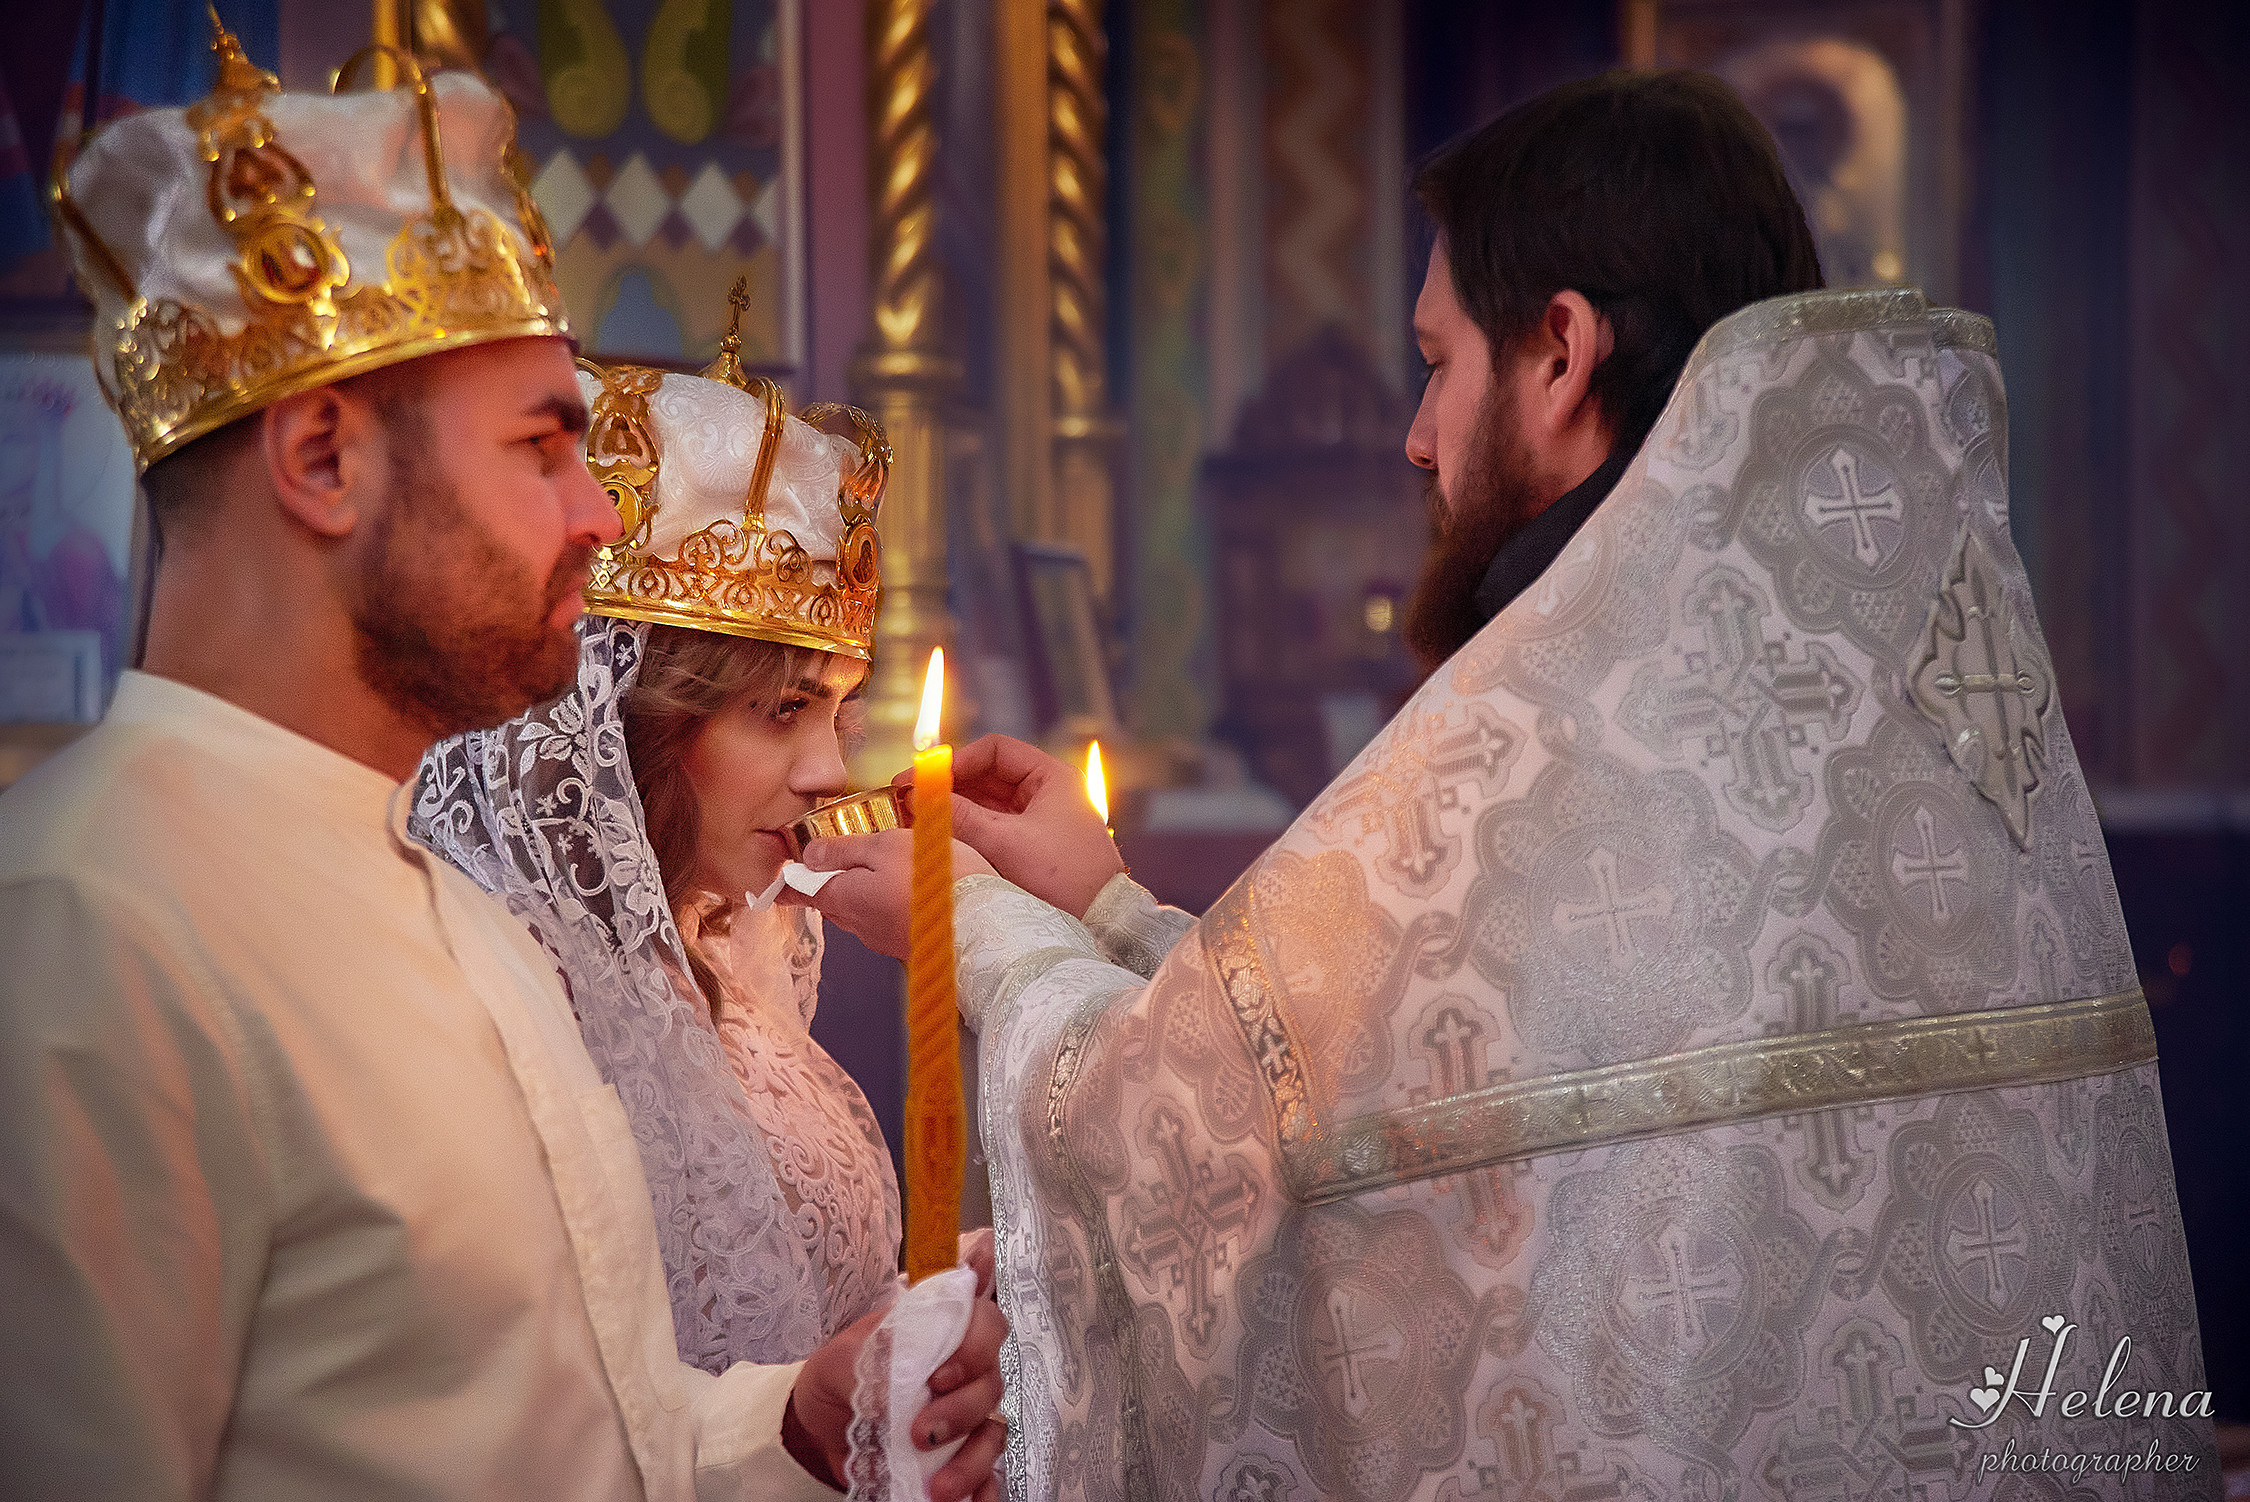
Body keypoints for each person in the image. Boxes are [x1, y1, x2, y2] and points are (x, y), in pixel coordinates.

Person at [798, 71, 2220, 1501]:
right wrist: (1105, 907)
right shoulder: (1883, 695)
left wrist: (977, 934)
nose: (1417, 435)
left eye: (1435, 362)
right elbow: (1397, 1101)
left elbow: (1184, 1154)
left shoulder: (1545, 733)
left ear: (1558, 353)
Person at [0, 28, 1002, 1502]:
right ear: (323, 459)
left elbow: (577, 1439)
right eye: (542, 447)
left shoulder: (454, 906)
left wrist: (796, 1415)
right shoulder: (91, 919)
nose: (599, 520)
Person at [411, 324, 935, 1372]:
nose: (833, 770)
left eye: (838, 712)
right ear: (630, 723)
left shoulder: (731, 946)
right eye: (783, 708)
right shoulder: (488, 984)